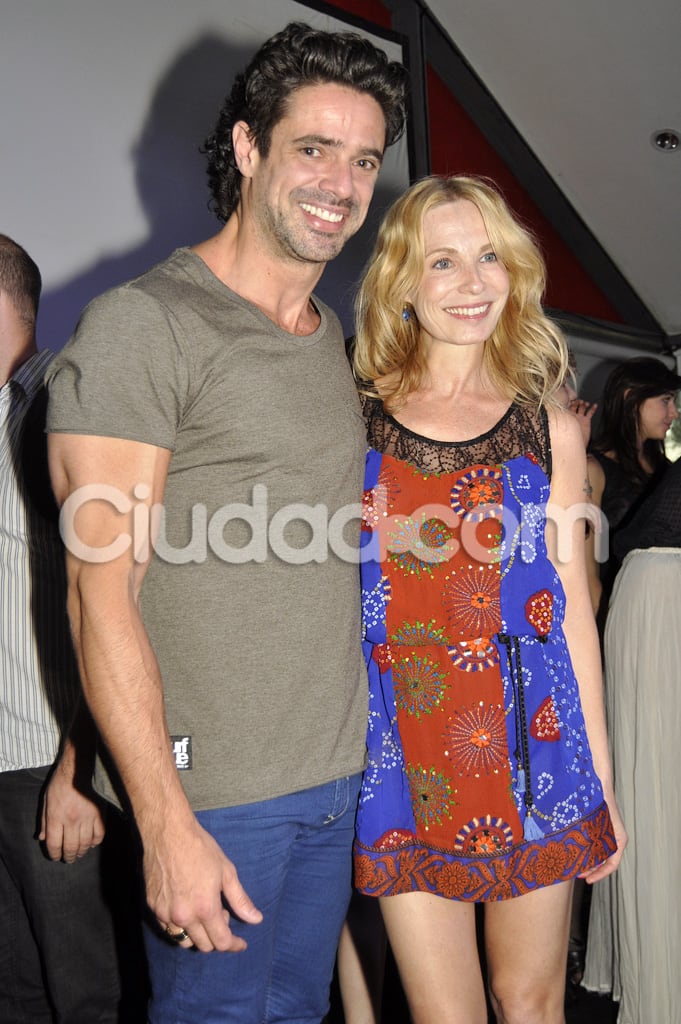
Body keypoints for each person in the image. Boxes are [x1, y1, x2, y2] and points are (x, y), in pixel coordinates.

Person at [46, 22, 408, 1024]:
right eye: (313, 148)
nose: (342, 181)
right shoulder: (146, 325)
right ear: (248, 149)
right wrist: (162, 822)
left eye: (365, 157)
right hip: (216, 792)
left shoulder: (326, 332)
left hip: (333, 770)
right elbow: (97, 590)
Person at [350, 174, 626, 1024]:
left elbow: (573, 602)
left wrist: (602, 782)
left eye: (488, 258)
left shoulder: (552, 426)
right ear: (402, 283)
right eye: (442, 262)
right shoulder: (348, 416)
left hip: (536, 742)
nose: (471, 284)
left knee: (530, 1000)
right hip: (401, 746)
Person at [0, 234, 145, 1021]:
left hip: (48, 765)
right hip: (3, 762)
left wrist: (78, 768)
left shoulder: (67, 403)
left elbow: (125, 597)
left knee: (89, 995)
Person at [583, 456, 681, 1023]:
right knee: (655, 792)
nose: (671, 411)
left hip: (652, 595)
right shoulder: (600, 461)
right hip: (659, 600)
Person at [585, 356, 680, 626]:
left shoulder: (665, 470)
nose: (674, 412)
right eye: (665, 400)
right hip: (618, 618)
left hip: (664, 611)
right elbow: (587, 572)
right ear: (631, 398)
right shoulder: (594, 468)